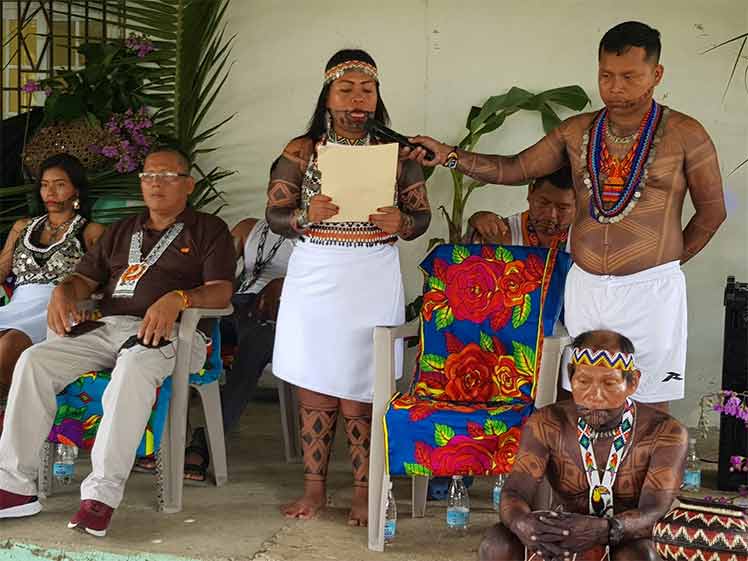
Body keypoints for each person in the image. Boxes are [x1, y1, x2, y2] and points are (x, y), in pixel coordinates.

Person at [406, 21, 725, 411]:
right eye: (606, 76)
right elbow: (516, 168)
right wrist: (450, 155)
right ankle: (587, 475)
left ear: (656, 75)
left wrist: (664, 264)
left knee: (648, 408)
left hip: (651, 290)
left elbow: (713, 212)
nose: (616, 87)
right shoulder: (577, 131)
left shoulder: (686, 134)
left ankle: (642, 475)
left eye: (629, 76)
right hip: (586, 286)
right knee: (582, 400)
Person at [0, 146, 235, 537]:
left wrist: (180, 299)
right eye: (148, 176)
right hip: (109, 327)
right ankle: (13, 486)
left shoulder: (208, 229)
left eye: (167, 176)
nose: (155, 184)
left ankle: (101, 496)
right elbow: (83, 281)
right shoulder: (123, 230)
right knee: (35, 360)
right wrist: (64, 290)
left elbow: (222, 292)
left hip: (174, 332)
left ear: (188, 185)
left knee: (133, 366)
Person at [266, 48, 431, 526]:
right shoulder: (302, 149)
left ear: (378, 97)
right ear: (328, 96)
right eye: (346, 89)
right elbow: (275, 216)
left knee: (365, 382)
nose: (357, 99)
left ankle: (365, 487)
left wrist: (402, 221)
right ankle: (313, 488)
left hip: (372, 273)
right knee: (315, 381)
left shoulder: (398, 154)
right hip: (316, 273)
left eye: (367, 89)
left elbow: (419, 218)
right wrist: (303, 215)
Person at [478, 329, 687, 561]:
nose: (594, 396)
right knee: (498, 542)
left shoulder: (665, 432)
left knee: (640, 555)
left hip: (625, 540)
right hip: (565, 534)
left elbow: (655, 512)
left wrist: (604, 530)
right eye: (583, 381)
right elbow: (515, 492)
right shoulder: (547, 423)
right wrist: (523, 523)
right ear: (570, 377)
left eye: (609, 383)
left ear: (632, 382)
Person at [180, 212, 293, 482]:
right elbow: (220, 267)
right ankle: (160, 438)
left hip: (279, 314)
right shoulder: (248, 227)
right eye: (273, 191)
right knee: (181, 334)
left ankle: (203, 442)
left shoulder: (316, 235)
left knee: (250, 354)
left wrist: (286, 284)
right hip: (236, 304)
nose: (277, 199)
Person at [0, 154, 104, 425]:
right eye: (45, 185)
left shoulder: (91, 232)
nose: (50, 192)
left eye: (59, 184)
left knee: (9, 345)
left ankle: (22, 424)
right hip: (17, 305)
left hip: (57, 309)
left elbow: (103, 279)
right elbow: (2, 269)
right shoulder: (21, 227)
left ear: (76, 190)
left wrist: (89, 308)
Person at [466, 167, 575, 253]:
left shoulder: (587, 238)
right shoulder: (504, 233)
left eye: (562, 208)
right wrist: (477, 220)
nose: (551, 215)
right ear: (530, 192)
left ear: (579, 205)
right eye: (543, 203)